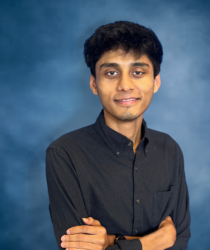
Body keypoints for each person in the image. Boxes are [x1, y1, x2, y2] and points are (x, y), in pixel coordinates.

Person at [46, 21, 191, 250]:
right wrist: (155, 241)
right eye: (111, 72)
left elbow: (179, 240)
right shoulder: (65, 154)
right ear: (94, 83)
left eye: (138, 72)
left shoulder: (169, 149)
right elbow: (76, 248)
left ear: (156, 82)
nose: (125, 85)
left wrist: (111, 241)